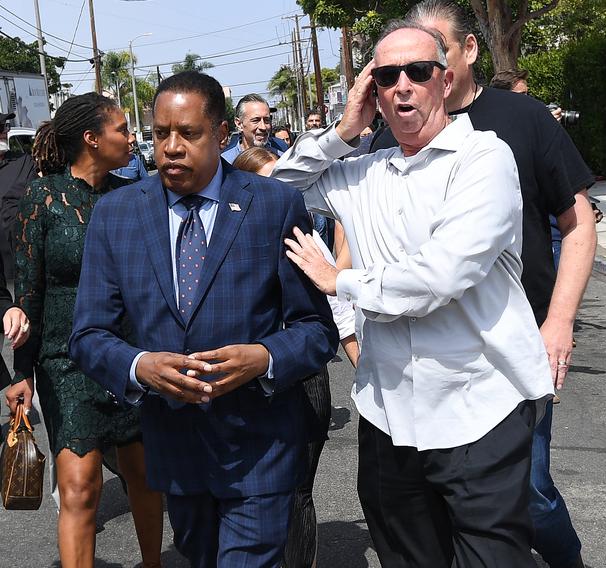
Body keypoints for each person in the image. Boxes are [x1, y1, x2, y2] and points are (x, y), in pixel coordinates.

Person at [272, 21, 553, 567]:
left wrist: (342, 283)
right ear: (372, 91)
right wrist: (342, 130)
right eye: (385, 75)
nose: (402, 85)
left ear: (444, 82)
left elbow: (442, 275)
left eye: (417, 72)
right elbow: (272, 190)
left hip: (480, 407)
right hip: (389, 415)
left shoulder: (484, 159)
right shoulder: (362, 171)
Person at [67, 72, 339, 567]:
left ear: (221, 135)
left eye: (188, 134)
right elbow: (88, 334)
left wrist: (264, 357)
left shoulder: (273, 205)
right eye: (159, 134)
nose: (170, 148)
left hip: (260, 448)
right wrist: (139, 366)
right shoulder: (117, 215)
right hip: (176, 449)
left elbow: (318, 330)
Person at [369, 3, 597, 565]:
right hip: (418, 374)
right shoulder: (388, 137)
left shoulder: (521, 120)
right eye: (391, 71)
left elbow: (578, 222)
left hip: (513, 353)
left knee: (532, 497)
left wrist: (559, 322)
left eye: (427, 59)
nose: (407, 80)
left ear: (462, 54)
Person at [5, 92, 164, 567]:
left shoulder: (135, 196)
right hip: (64, 358)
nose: (131, 137)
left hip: (129, 355)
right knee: (79, 486)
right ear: (92, 139)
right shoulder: (43, 197)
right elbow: (28, 291)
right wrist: (22, 373)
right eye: (121, 129)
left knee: (143, 473)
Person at [234, 145, 359, 568]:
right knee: (249, 494)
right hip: (242, 384)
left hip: (305, 379)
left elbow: (339, 316)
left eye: (287, 183)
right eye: (270, 183)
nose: (280, 195)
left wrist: (367, 367)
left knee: (297, 491)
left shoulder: (302, 238)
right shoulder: (222, 242)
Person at [0, 112, 37, 288]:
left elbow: (30, 201)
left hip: (15, 267)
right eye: (0, 128)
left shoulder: (23, 162)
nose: (4, 133)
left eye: (5, 128)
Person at [220, 93, 288, 163]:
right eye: (256, 120)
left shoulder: (281, 160)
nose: (263, 127)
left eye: (266, 120)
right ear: (239, 123)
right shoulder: (225, 162)